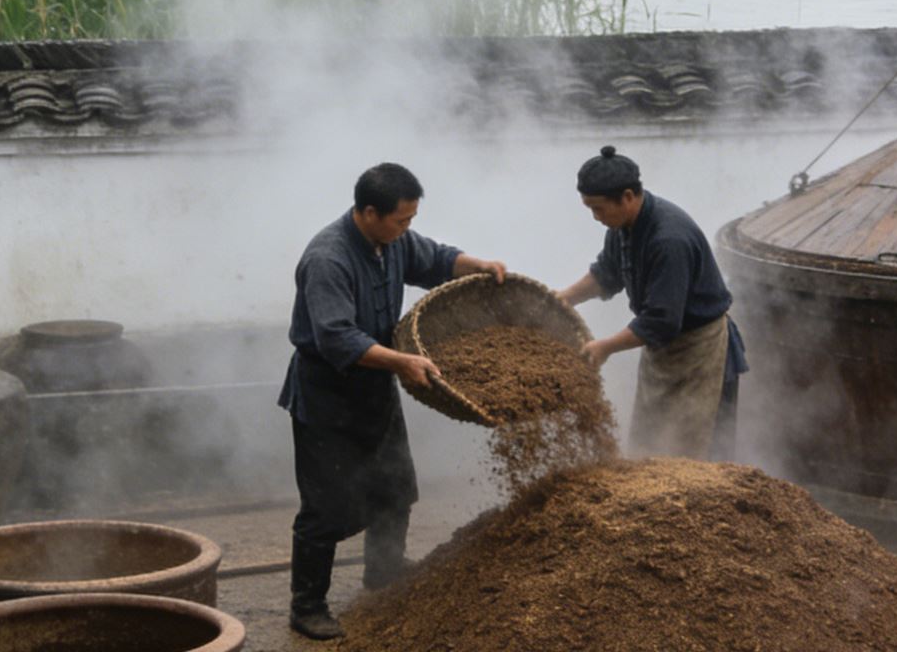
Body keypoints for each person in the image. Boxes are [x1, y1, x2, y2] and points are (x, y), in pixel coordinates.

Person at [278, 162, 508, 641]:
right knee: (325, 506)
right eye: (401, 220)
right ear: (368, 213)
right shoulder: (328, 259)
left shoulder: (394, 240)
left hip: (376, 384)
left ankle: (383, 571)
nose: (407, 228)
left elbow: (437, 259)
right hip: (327, 394)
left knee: (395, 487)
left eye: (411, 219)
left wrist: (479, 264)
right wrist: (402, 361)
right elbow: (337, 338)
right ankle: (307, 606)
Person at [555, 145, 747, 460]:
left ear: (627, 196)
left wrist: (605, 347)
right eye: (590, 209)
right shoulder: (622, 226)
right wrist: (563, 299)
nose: (596, 217)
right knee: (651, 447)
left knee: (693, 458)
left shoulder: (669, 240)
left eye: (599, 209)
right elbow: (606, 273)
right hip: (662, 352)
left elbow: (662, 320)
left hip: (699, 352)